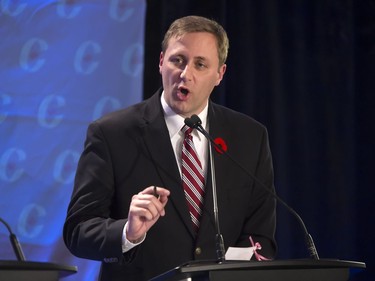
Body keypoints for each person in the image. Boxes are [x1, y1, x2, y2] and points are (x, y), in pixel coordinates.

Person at [63, 15, 277, 281]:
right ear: (161, 61)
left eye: (200, 64)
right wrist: (127, 233)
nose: (185, 74)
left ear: (219, 74)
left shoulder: (249, 137)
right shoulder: (112, 134)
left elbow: (261, 236)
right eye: (178, 60)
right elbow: (78, 231)